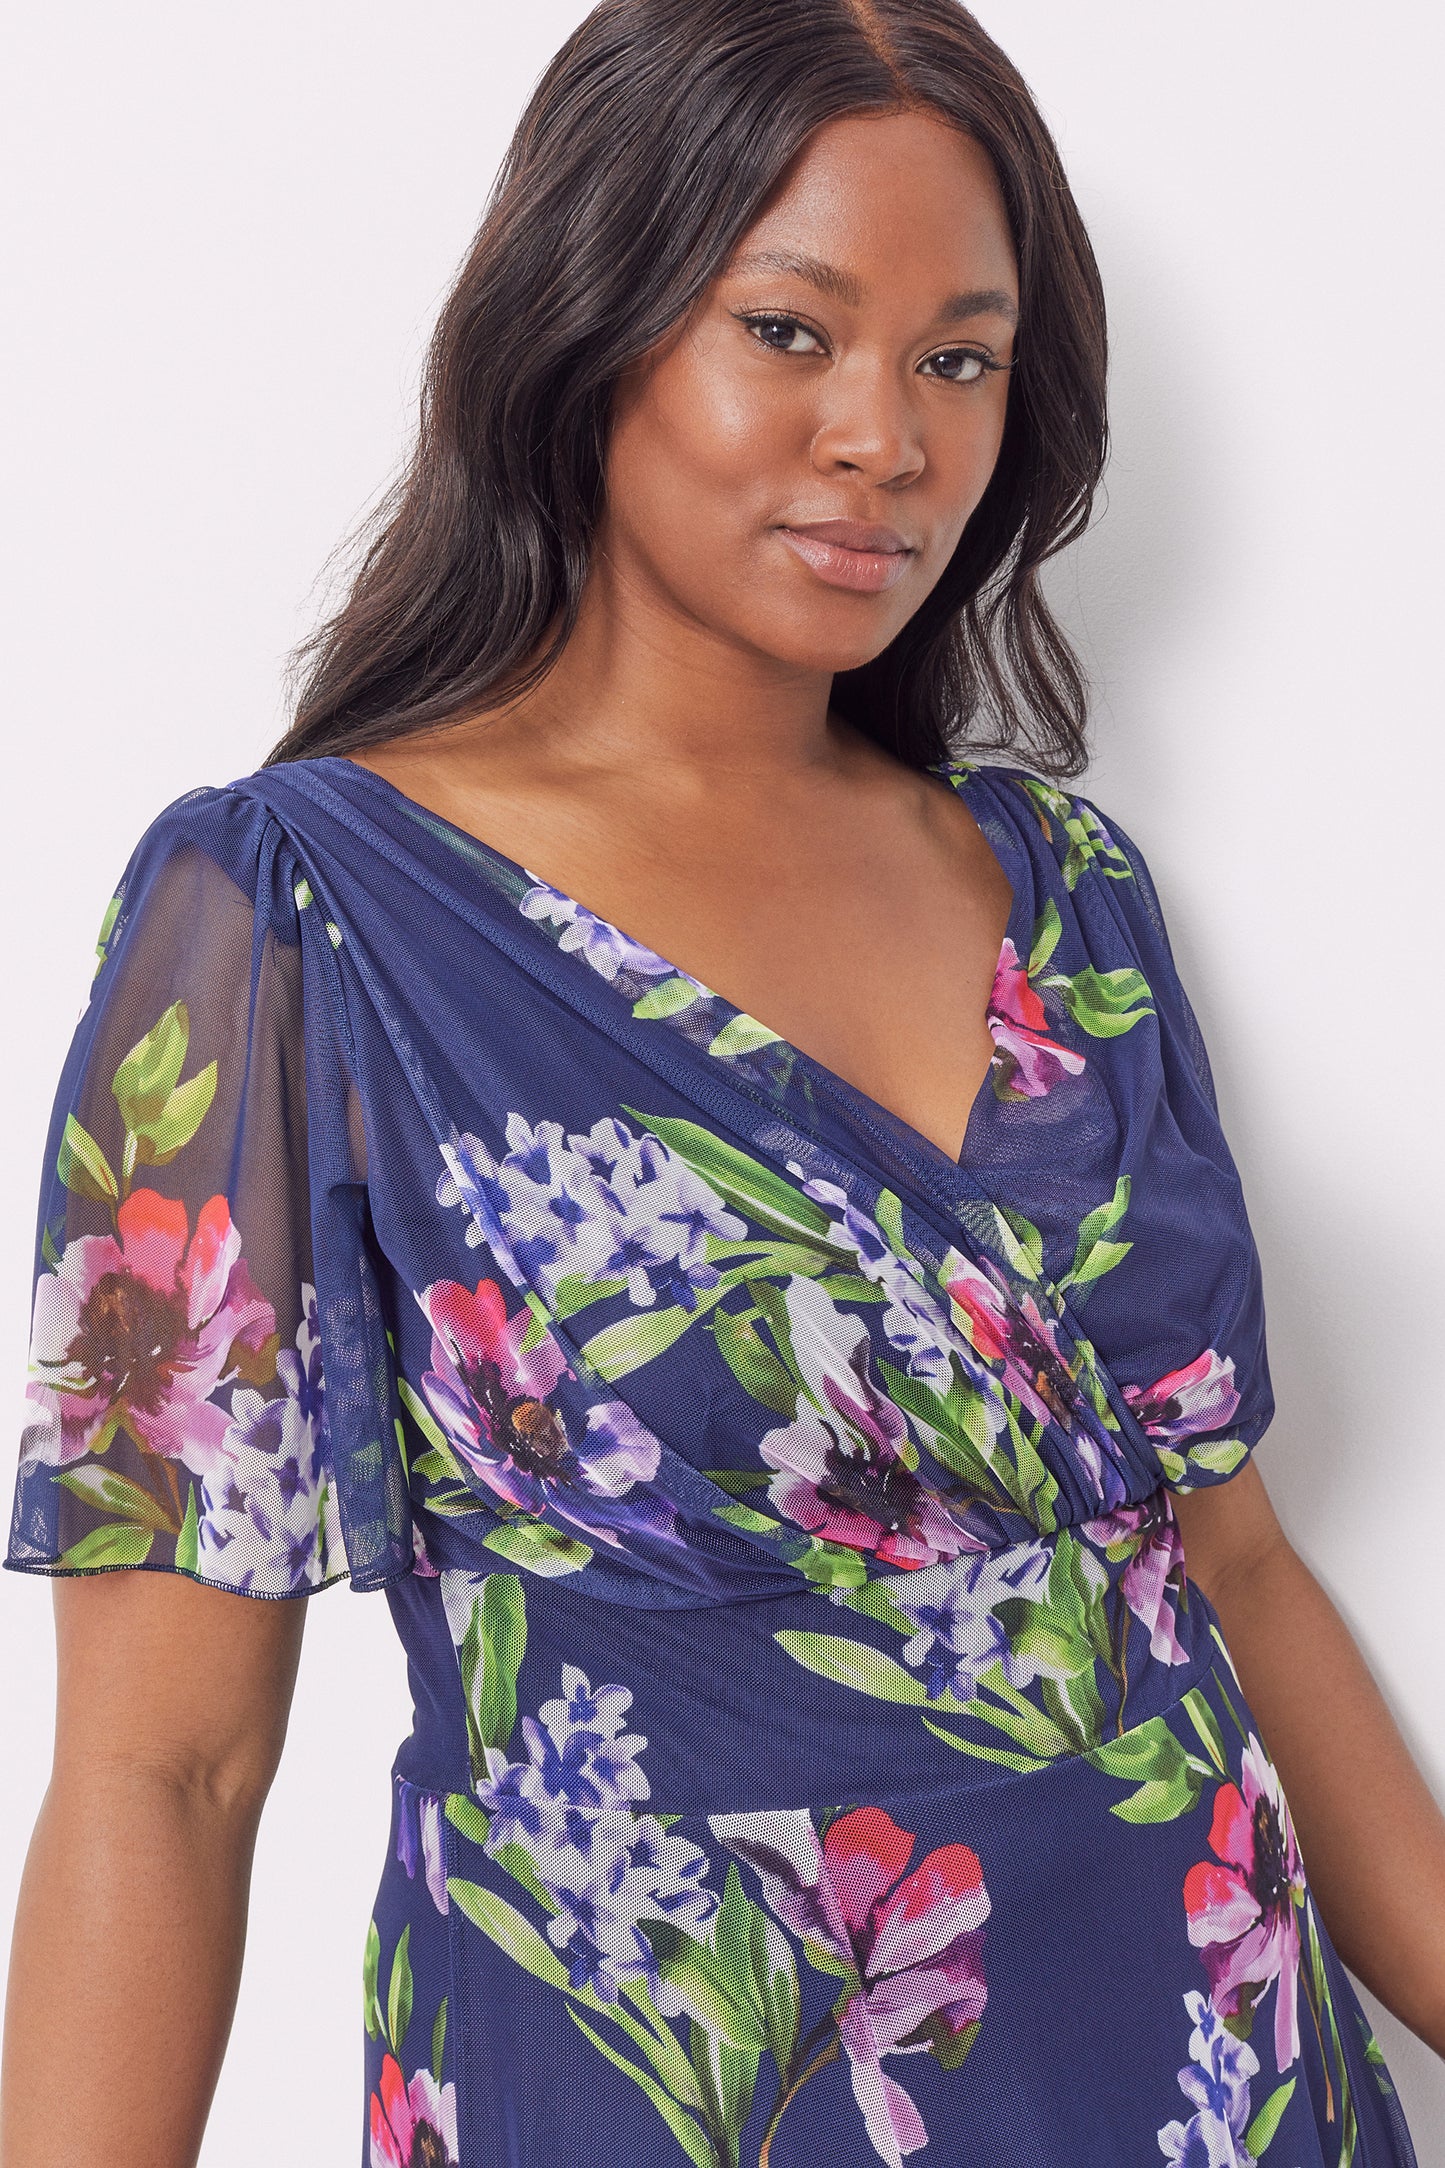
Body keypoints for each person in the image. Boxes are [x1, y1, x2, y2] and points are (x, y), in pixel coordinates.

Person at [3, 0, 1442, 2161]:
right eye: (791, 330)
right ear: (588, 325)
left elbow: (1226, 1566)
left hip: (1212, 2082)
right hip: (673, 2099)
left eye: (958, 359)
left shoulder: (1069, 897)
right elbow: (163, 1773)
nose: (887, 436)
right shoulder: (304, 910)